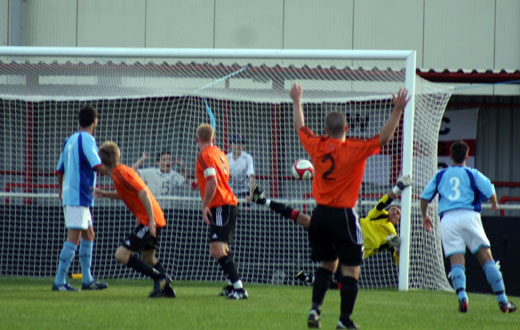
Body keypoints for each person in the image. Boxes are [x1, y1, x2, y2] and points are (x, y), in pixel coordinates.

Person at [290, 82, 410, 329]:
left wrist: (297, 100)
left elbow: (300, 127)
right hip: (343, 215)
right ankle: (344, 320)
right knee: (351, 271)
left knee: (327, 264)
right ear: (346, 128)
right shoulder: (354, 148)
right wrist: (398, 109)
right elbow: (384, 138)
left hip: (320, 215)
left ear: (325, 129)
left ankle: (315, 309)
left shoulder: (317, 145)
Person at [420, 140, 517, 314]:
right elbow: (489, 189)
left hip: (448, 219)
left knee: (456, 260)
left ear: (450, 157)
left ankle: (463, 298)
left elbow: (424, 197)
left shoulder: (440, 175)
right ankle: (503, 301)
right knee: (486, 258)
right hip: (469, 216)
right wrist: (494, 202)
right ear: (467, 156)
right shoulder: (472, 173)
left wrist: (425, 216)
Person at [251, 174, 411, 270]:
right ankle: (265, 201)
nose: (395, 212)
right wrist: (397, 189)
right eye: (394, 209)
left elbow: (399, 262)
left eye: (398, 212)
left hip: (355, 251)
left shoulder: (393, 235)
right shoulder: (379, 215)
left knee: (337, 271)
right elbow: (383, 202)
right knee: (306, 220)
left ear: (399, 220)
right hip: (345, 231)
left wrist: (397, 248)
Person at [95, 141, 175, 298]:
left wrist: (150, 221)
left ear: (103, 162)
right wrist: (104, 194)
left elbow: (143, 193)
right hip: (153, 217)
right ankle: (166, 289)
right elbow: (126, 195)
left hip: (149, 219)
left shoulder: (120, 174)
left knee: (121, 255)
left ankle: (160, 277)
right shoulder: (120, 172)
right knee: (148, 258)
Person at [53, 105, 109, 292]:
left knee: (89, 234)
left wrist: (61, 190)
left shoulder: (69, 140)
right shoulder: (87, 139)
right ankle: (59, 281)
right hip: (78, 195)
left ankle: (87, 279)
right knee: (73, 238)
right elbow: (97, 165)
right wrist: (117, 172)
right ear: (95, 121)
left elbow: (60, 169)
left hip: (75, 195)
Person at [195, 123, 248, 300]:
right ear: (213, 139)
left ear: (196, 140)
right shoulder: (219, 153)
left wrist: (204, 205)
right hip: (227, 203)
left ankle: (240, 289)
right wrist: (198, 183)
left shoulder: (204, 155)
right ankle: (233, 285)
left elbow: (213, 182)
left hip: (220, 205)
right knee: (220, 248)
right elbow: (220, 177)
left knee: (217, 249)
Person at [226, 134, 255, 202]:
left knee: (246, 210)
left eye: (241, 144)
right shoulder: (226, 158)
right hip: (231, 191)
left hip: (245, 191)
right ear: (231, 145)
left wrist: (251, 195)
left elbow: (251, 176)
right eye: (236, 143)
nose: (238, 146)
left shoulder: (247, 157)